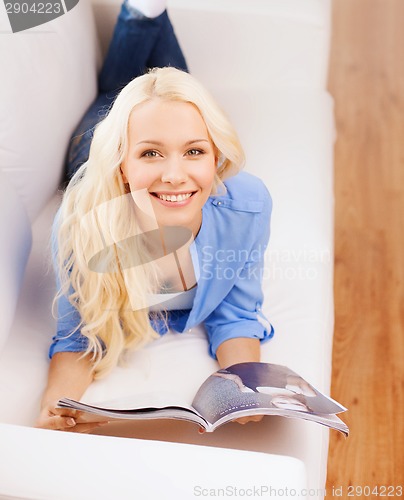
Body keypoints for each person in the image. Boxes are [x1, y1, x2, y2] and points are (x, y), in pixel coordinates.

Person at [35, 0, 274, 432]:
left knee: (164, 97)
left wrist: (245, 385)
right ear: (123, 167)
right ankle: (144, 15)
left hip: (136, 129)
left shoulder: (247, 204)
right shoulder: (79, 222)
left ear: (216, 157)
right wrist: (57, 406)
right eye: (150, 154)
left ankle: (145, 13)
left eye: (196, 151)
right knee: (115, 98)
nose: (175, 176)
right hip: (90, 151)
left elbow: (236, 314)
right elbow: (77, 334)